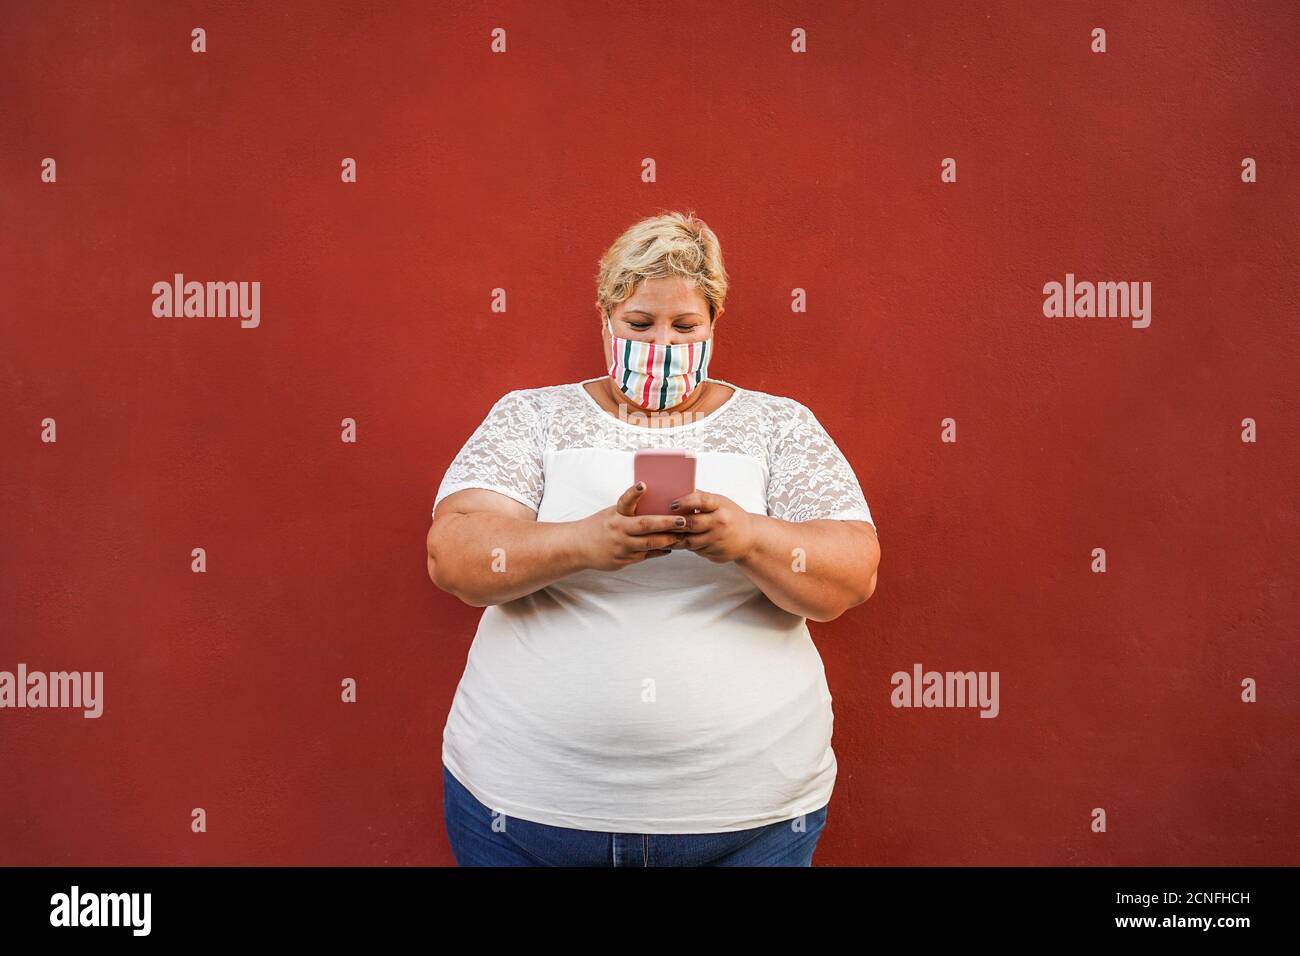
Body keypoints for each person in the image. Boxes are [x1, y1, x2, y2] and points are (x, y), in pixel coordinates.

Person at [426, 210, 880, 866]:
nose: (661, 342)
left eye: (684, 325)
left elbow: (852, 575)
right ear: (606, 317)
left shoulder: (779, 425)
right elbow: (455, 555)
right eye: (639, 323)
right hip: (524, 812)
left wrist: (747, 537)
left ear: (714, 325)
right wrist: (586, 542)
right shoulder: (532, 415)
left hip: (750, 820)